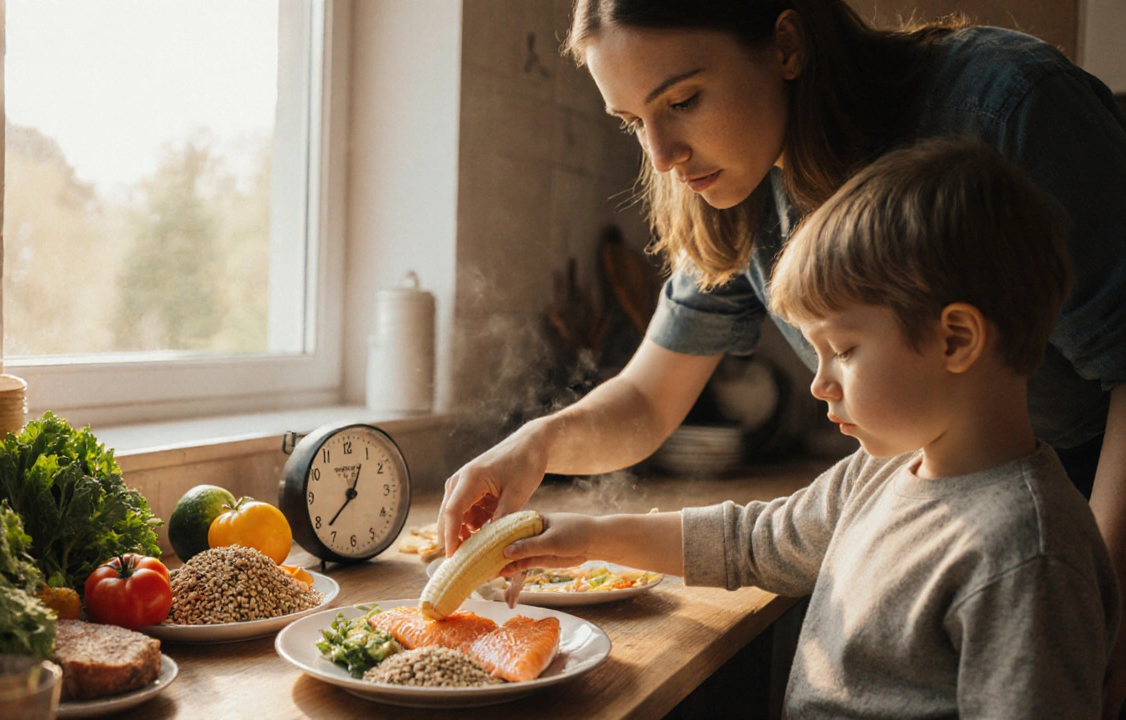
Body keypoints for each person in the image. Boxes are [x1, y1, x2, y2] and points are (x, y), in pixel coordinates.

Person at [438, 1, 1126, 711]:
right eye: (632, 122)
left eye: (683, 100)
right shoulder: (875, 475)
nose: (661, 158)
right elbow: (699, 467)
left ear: (787, 44)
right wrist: (539, 453)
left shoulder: (1009, 104)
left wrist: (1097, 612)